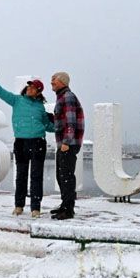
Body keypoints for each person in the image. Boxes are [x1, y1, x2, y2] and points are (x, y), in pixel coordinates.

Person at [0, 70, 54, 218]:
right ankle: (19, 206)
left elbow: (47, 126)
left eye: (33, 88)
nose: (29, 89)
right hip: (21, 143)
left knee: (36, 177)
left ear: (38, 92)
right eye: (28, 87)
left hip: (38, 143)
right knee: (21, 176)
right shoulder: (17, 100)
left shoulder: (41, 107)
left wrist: (58, 126)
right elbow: (1, 93)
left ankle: (35, 208)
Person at [49, 71, 85, 220]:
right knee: (61, 175)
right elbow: (62, 121)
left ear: (62, 82)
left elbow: (71, 122)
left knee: (66, 176)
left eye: (54, 80)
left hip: (67, 144)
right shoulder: (61, 97)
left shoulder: (67, 96)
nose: (51, 82)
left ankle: (68, 210)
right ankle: (65, 204)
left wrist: (66, 142)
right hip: (64, 143)